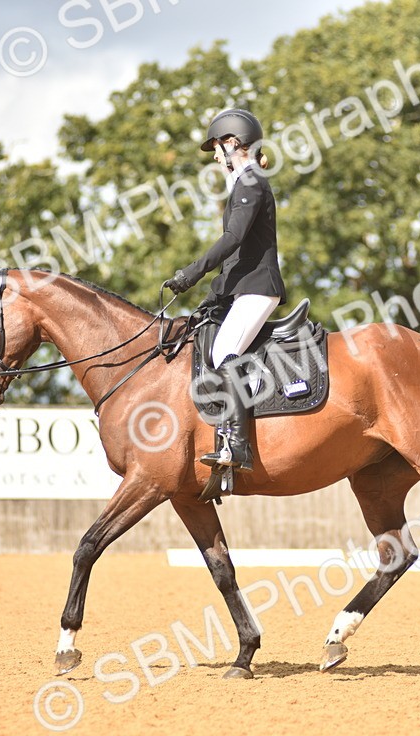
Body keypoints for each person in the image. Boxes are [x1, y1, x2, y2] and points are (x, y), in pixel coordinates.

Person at [164, 109, 286, 474]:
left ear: (233, 143)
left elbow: (232, 240)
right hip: (242, 288)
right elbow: (237, 257)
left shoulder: (252, 182)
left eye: (217, 148)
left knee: (223, 351)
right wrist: (214, 295)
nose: (216, 156)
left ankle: (237, 446)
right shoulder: (242, 184)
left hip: (259, 289)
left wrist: (192, 274)